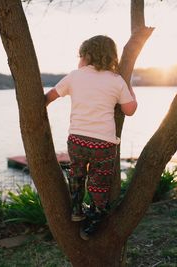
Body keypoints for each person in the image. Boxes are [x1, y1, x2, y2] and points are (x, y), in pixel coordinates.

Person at [45, 35, 137, 240]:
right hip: (103, 144)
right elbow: (129, 110)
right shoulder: (116, 80)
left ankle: (76, 210)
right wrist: (130, 90)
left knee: (77, 175)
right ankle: (93, 222)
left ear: (86, 55)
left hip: (77, 140)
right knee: (98, 183)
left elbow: (49, 97)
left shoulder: (75, 76)